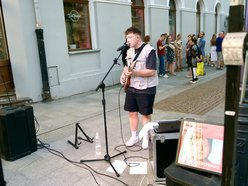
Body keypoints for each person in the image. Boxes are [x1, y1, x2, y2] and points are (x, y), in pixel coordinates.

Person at [120, 27, 158, 149]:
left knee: (145, 114)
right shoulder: (129, 51)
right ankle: (134, 136)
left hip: (146, 88)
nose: (128, 40)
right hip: (131, 86)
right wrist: (123, 74)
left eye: (130, 37)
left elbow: (151, 71)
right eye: (127, 38)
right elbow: (127, 66)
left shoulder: (149, 50)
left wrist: (134, 73)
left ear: (138, 37)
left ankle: (146, 137)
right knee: (132, 113)